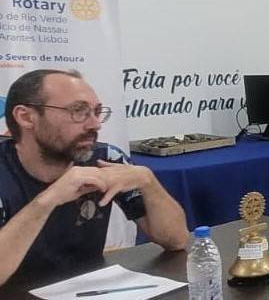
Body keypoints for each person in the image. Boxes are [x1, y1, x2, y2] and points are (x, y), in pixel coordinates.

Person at [0, 70, 188, 285]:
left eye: (96, 112)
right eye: (78, 111)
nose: (95, 124)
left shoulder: (106, 158)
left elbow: (177, 240)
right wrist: (48, 199)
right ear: (26, 117)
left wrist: (148, 182)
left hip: (85, 290)